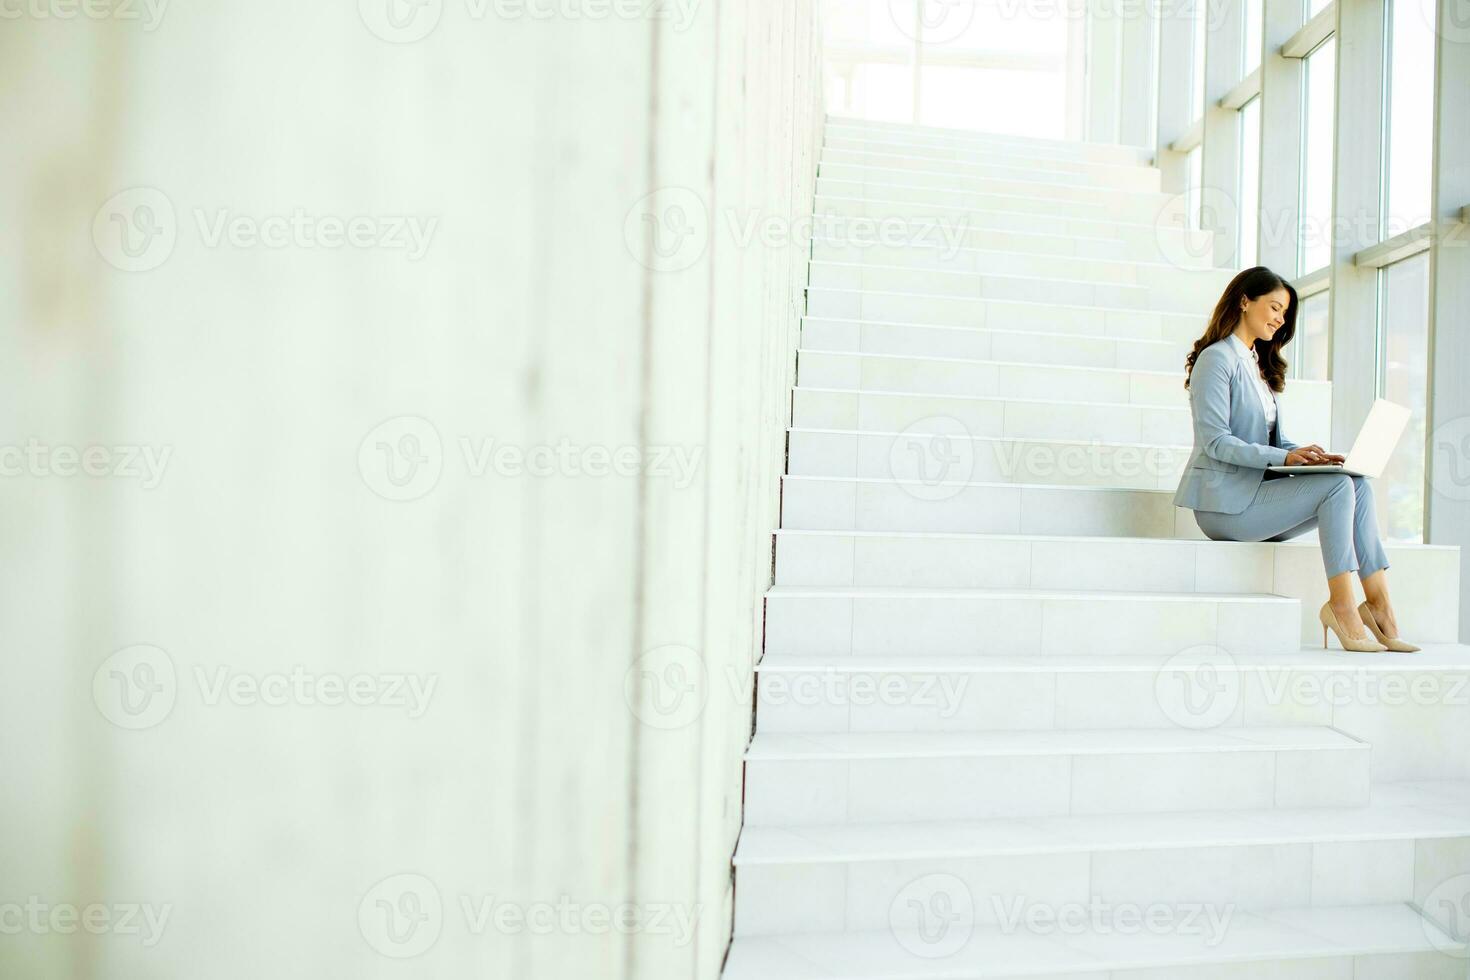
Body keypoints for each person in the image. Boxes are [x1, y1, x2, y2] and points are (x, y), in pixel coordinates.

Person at [1173, 266, 1418, 653]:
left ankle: (1377, 604)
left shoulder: (1256, 364)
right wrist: (1285, 454)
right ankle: (1340, 606)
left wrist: (1307, 456)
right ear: (1244, 302)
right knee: (1339, 487)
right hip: (1225, 505)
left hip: (1257, 497)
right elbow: (1217, 442)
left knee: (1355, 481)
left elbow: (1270, 438)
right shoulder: (1216, 360)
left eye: (1284, 313)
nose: (1279, 319)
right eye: (1273, 307)